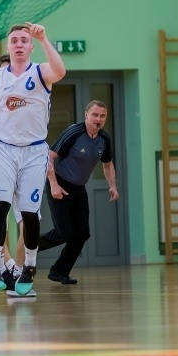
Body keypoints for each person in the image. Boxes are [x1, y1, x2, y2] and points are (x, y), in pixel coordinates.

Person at [0, 23, 65, 296]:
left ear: (30, 47)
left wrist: (44, 38)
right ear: (8, 48)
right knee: (0, 206)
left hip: (33, 152)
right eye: (14, 41)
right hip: (4, 150)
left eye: (24, 40)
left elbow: (60, 71)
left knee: (30, 214)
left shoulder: (41, 71)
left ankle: (29, 266)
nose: (19, 44)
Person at [40, 101, 118, 284]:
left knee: (82, 233)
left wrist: (113, 186)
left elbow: (107, 165)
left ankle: (59, 271)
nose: (98, 119)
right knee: (63, 233)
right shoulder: (74, 133)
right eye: (95, 115)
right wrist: (53, 185)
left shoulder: (104, 139)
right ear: (86, 115)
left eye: (102, 116)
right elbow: (48, 157)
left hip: (78, 189)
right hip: (59, 184)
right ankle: (28, 246)